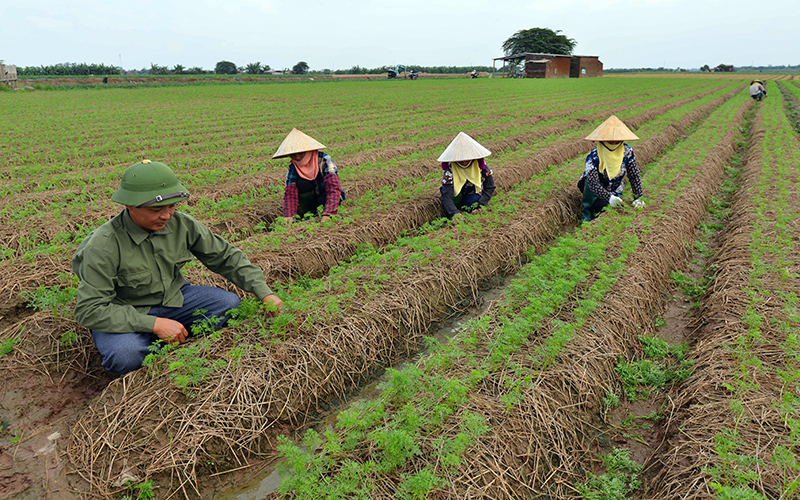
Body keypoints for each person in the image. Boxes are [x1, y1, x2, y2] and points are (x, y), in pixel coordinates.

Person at [72, 160, 284, 375]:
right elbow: (90, 310)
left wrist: (264, 293)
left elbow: (225, 256)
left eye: (172, 206)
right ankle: (149, 342)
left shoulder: (182, 224)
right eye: (156, 209)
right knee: (126, 356)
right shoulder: (102, 246)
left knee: (228, 304)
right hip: (125, 311)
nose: (167, 215)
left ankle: (169, 338)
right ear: (129, 205)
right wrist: (154, 324)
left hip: (173, 300)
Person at [577, 115, 645, 223]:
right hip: (591, 188)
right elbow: (593, 183)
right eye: (610, 140)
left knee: (607, 207)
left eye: (617, 140)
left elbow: (634, 174)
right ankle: (587, 213)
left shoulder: (627, 151)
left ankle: (603, 203)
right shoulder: (594, 156)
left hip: (614, 186)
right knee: (600, 204)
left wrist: (638, 197)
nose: (613, 143)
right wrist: (609, 198)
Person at [274, 128, 344, 222]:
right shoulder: (293, 167)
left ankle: (326, 209)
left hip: (326, 197)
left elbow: (334, 187)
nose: (297, 158)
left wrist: (328, 213)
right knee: (302, 183)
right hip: (311, 202)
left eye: (301, 153)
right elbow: (290, 192)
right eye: (293, 155)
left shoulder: (324, 160)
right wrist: (289, 215)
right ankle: (309, 213)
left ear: (308, 150)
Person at [438, 132, 496, 218]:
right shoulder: (450, 170)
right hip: (455, 195)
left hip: (472, 193)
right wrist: (454, 213)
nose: (464, 162)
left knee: (471, 204)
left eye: (467, 159)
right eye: (461, 160)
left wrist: (480, 205)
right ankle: (455, 212)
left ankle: (465, 209)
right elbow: (447, 195)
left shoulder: (480, 167)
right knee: (450, 205)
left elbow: (490, 187)